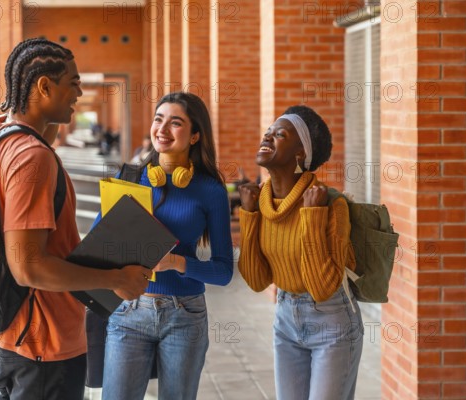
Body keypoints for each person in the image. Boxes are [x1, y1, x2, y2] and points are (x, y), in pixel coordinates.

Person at [0, 38, 149, 400]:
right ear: (44, 86)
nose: (79, 91)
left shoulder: (2, 137)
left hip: (17, 334)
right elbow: (29, 268)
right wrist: (116, 279)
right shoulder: (33, 158)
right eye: (73, 82)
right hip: (45, 343)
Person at [88, 91, 234, 400]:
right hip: (129, 312)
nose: (162, 130)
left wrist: (177, 263)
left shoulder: (210, 191)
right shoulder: (130, 178)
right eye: (158, 119)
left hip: (185, 315)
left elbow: (223, 272)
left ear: (195, 135)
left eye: (176, 123)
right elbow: (97, 246)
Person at [237, 105, 363, 400]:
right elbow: (257, 281)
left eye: (279, 134)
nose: (266, 138)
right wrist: (249, 215)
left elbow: (321, 287)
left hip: (331, 322)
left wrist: (312, 217)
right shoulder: (262, 203)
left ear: (300, 155)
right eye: (267, 132)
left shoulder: (331, 205)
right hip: (285, 318)